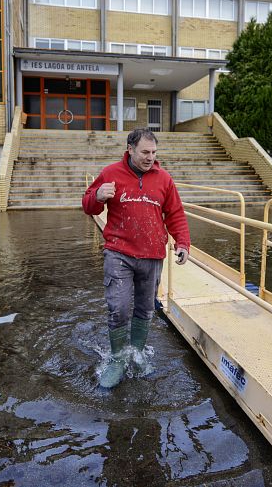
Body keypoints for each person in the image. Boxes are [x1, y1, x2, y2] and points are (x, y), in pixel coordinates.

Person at [82, 128, 190, 388]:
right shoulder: (111, 174)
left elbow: (175, 213)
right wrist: (97, 196)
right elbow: (88, 205)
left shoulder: (164, 179)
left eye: (153, 152)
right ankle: (118, 359)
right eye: (144, 152)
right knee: (118, 306)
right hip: (119, 253)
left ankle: (138, 353)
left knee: (145, 308)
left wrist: (183, 242)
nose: (149, 157)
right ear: (130, 149)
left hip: (152, 255)